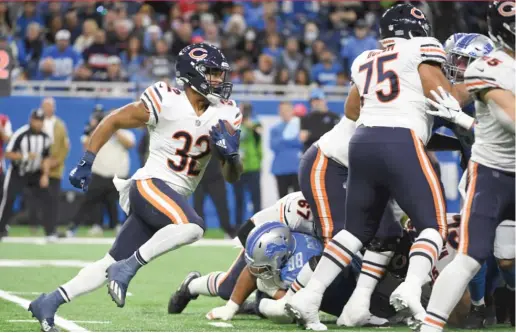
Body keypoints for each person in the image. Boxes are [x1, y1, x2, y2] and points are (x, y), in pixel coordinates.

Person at [28, 43, 243, 332]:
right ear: (193, 73)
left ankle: (49, 301)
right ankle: (128, 267)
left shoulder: (226, 113)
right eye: (213, 73)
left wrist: (231, 157)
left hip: (171, 199)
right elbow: (114, 120)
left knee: (108, 262)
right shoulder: (165, 99)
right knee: (193, 227)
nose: (218, 80)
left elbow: (232, 176)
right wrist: (86, 160)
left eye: (220, 74)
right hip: (150, 185)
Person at [287, 4, 467, 329]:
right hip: (399, 141)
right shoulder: (421, 48)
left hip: (362, 142)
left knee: (355, 232)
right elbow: (447, 97)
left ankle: (309, 295)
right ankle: (411, 287)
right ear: (418, 29)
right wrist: (480, 85)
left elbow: (351, 109)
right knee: (434, 226)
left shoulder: (365, 58)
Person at [421, 2, 515, 330]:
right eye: (455, 60)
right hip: (489, 172)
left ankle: (507, 298)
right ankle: (443, 320)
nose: (456, 67)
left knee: (506, 258)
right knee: (471, 253)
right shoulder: (485, 69)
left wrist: (458, 120)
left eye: (461, 60)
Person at [168, 191, 315, 314]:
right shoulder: (298, 208)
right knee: (227, 289)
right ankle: (191, 285)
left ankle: (257, 303)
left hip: (302, 254)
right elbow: (247, 231)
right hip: (273, 247)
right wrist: (263, 269)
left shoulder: (335, 214)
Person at [67, 106, 133, 235]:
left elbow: (130, 144)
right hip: (100, 174)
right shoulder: (99, 131)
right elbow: (86, 147)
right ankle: (73, 228)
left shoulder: (124, 132)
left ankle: (122, 227)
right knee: (88, 201)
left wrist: (115, 128)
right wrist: (99, 127)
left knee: (123, 203)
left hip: (119, 175)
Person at [0, 109, 52, 240]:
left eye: (41, 121)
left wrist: (45, 175)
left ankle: (50, 231)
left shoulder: (45, 138)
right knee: (9, 199)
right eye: (36, 120)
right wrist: (24, 156)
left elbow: (46, 157)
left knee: (47, 199)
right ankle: (1, 229)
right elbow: (8, 153)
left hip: (35, 172)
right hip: (18, 172)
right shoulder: (21, 134)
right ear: (31, 120)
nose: (38, 123)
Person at [41, 97, 70, 240]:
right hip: (37, 168)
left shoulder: (60, 125)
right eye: (45, 106)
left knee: (53, 200)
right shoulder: (37, 123)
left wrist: (57, 161)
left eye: (50, 106)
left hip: (55, 168)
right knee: (39, 199)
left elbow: (65, 146)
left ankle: (51, 230)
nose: (48, 109)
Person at [233, 102, 262, 228]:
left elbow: (259, 132)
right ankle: (238, 226)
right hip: (238, 167)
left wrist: (250, 125)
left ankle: (258, 224)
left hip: (253, 166)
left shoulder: (255, 123)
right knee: (239, 199)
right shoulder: (234, 124)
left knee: (255, 198)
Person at [193, 157, 234, 238]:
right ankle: (199, 231)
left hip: (216, 177)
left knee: (222, 206)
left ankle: (228, 230)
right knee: (198, 206)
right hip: (199, 178)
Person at [270, 101, 302, 198]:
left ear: (292, 111)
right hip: (280, 169)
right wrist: (292, 140)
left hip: (297, 169)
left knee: (298, 201)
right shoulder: (275, 128)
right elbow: (273, 146)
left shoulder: (299, 126)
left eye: (287, 110)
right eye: (282, 110)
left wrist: (284, 140)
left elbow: (301, 144)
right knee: (282, 201)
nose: (284, 112)